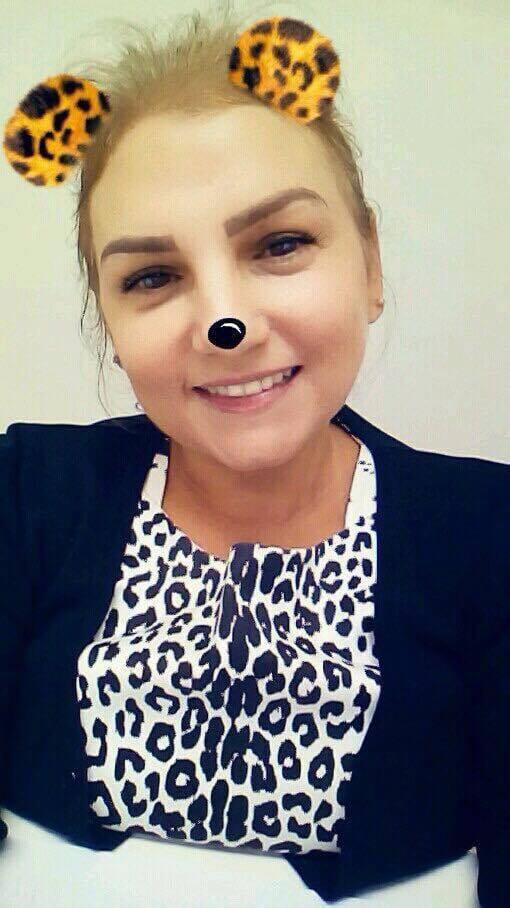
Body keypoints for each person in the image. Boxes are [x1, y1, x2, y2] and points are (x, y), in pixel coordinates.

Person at [1, 4, 508, 906]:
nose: (224, 321)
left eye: (280, 244)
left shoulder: (489, 537)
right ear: (108, 322)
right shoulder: (25, 494)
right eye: (153, 276)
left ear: (370, 264)